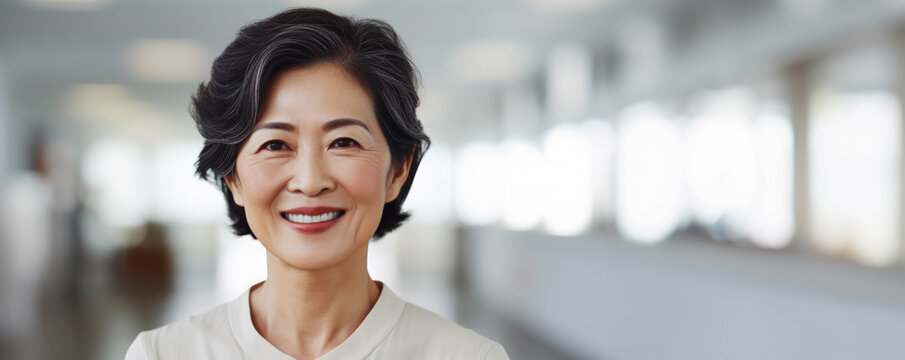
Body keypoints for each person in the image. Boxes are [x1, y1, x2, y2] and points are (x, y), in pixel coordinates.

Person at [125, 7, 508, 360]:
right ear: (233, 177)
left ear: (398, 171)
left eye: (344, 142)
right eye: (275, 144)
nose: (310, 181)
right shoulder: (161, 354)